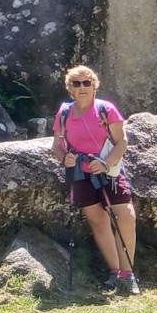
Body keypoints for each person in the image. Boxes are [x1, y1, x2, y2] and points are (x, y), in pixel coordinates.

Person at [51, 64, 139, 296]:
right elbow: (56, 147)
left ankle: (127, 275)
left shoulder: (106, 110)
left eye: (86, 83)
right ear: (69, 88)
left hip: (107, 171)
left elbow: (122, 142)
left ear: (94, 86)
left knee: (126, 215)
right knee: (98, 220)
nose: (82, 88)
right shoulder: (64, 113)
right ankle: (115, 272)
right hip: (80, 174)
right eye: (76, 83)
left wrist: (105, 163)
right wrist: (65, 159)